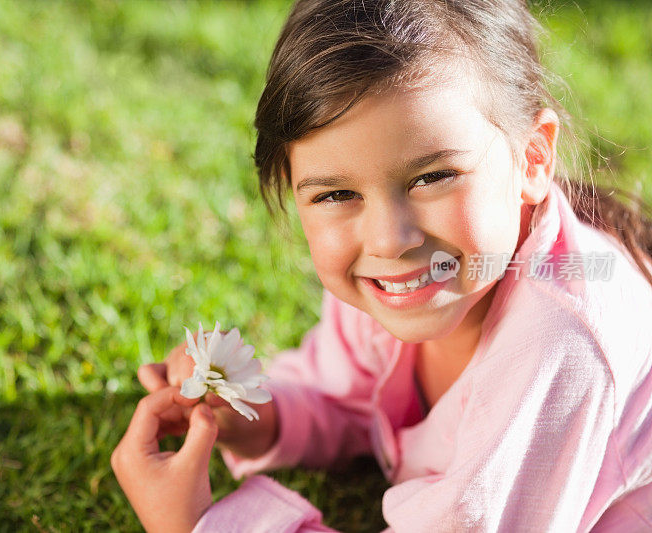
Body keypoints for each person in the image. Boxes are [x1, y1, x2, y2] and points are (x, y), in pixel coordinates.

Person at [111, 0, 652, 530]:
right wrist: (251, 417)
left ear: (532, 157)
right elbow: (344, 396)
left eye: (433, 177)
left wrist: (203, 523)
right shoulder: (391, 281)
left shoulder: (560, 341)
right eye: (337, 194)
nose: (389, 240)